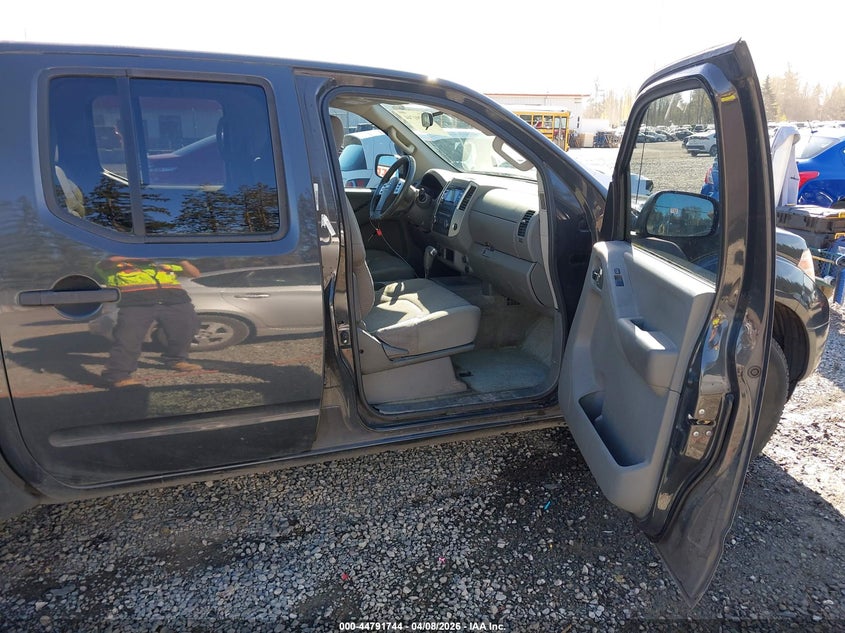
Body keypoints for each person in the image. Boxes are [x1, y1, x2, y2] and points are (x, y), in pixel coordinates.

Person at [95, 256, 202, 387]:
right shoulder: (116, 265)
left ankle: (176, 359)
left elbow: (195, 273)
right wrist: (136, 254)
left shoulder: (164, 263)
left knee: (185, 330)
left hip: (175, 302)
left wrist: (182, 261)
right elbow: (107, 263)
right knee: (128, 338)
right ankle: (117, 374)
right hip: (136, 304)